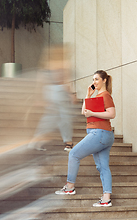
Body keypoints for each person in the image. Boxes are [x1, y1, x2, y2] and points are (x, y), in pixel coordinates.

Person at [55, 70, 116, 207]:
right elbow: (84, 112)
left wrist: (93, 112)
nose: (94, 82)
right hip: (104, 134)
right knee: (103, 167)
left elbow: (112, 113)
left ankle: (70, 187)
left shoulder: (105, 95)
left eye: (96, 79)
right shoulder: (97, 95)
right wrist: (88, 95)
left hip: (98, 133)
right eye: (93, 79)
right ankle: (106, 199)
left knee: (74, 154)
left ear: (104, 80)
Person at [29, 45, 75, 152]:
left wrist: (38, 96)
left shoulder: (48, 65)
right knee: (63, 118)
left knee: (51, 118)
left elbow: (40, 81)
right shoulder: (61, 64)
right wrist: (71, 93)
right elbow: (65, 81)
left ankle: (36, 141)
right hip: (57, 92)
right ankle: (68, 143)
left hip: (50, 92)